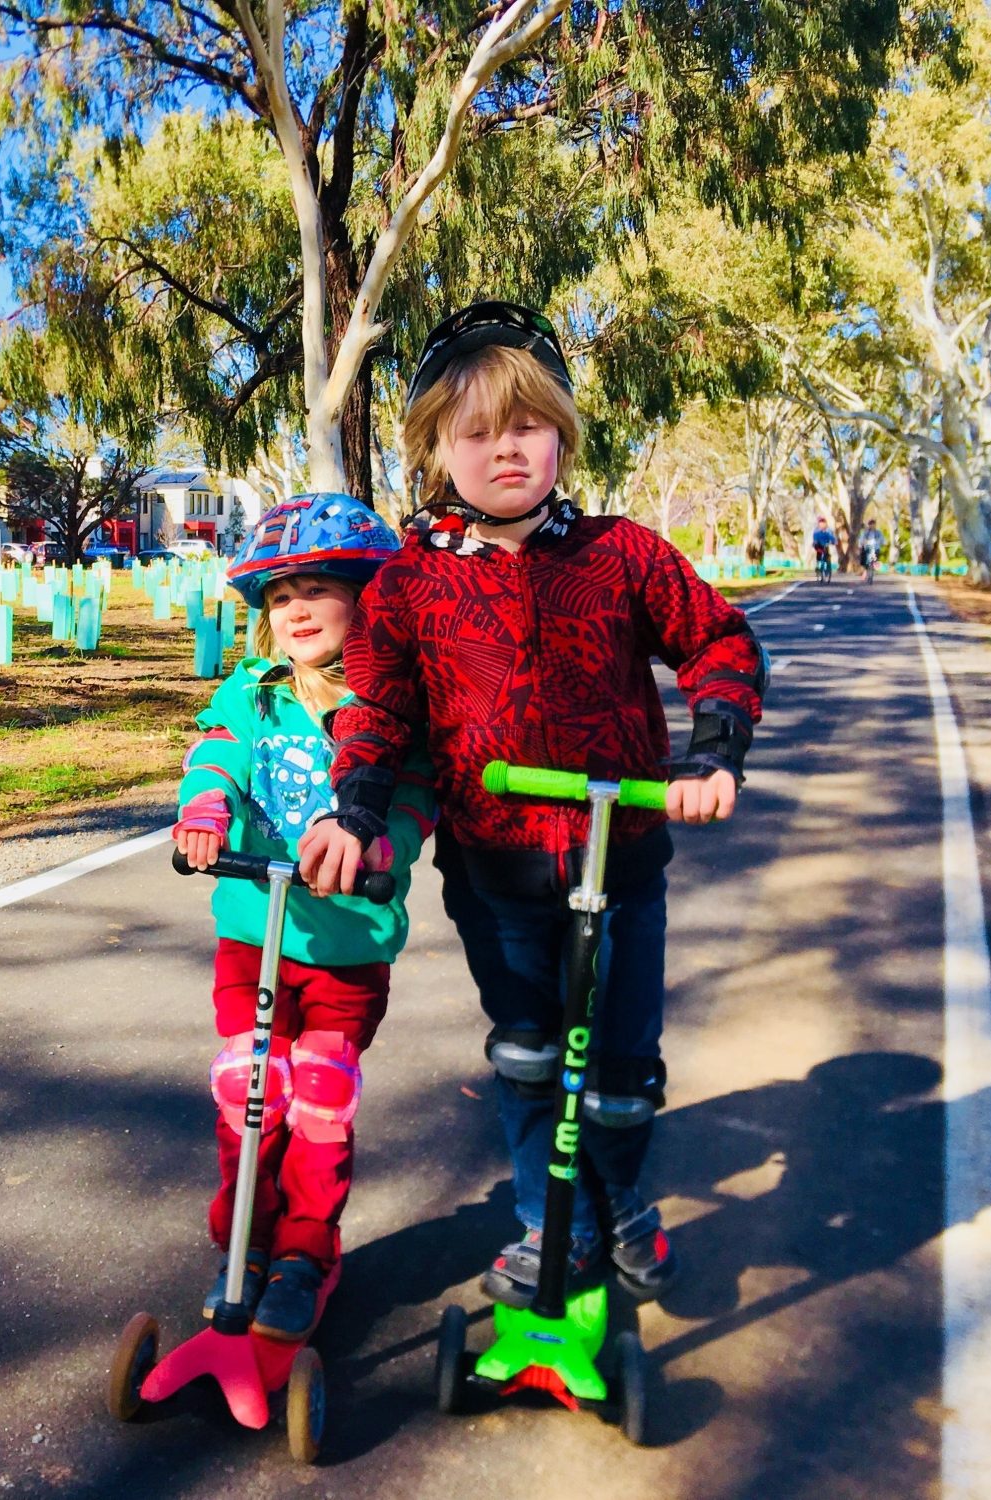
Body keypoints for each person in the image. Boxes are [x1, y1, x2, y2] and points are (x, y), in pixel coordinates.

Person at [295, 302, 768, 1306]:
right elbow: (376, 712)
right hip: (494, 872)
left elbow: (718, 642)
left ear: (559, 433)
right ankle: (541, 1217)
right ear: (434, 447)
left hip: (623, 863)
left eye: (524, 425)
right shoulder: (406, 587)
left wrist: (713, 752)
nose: (502, 448)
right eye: (473, 431)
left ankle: (622, 1202)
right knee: (524, 1054)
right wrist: (354, 812)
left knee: (621, 1071)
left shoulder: (623, 555)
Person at [173, 492, 437, 1340]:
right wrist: (206, 810)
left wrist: (385, 848)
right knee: (249, 1092)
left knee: (319, 1097)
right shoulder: (253, 692)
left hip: (346, 946)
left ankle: (303, 1253)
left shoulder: (389, 706)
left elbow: (415, 795)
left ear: (363, 599)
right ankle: (243, 1241)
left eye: (316, 590)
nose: (295, 610)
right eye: (280, 597)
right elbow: (214, 753)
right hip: (251, 935)